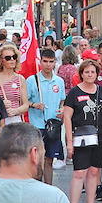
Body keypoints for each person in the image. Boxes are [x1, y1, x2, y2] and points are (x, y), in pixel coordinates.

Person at [63, 61, 102, 203]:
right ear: (81, 74)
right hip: (81, 137)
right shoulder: (74, 93)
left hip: (101, 137)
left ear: (97, 74)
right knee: (79, 172)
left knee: (94, 172)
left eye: (93, 72)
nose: (90, 75)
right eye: (87, 72)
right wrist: (69, 142)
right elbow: (67, 117)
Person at [26, 48, 69, 185]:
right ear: (40, 62)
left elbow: (62, 99)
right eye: (45, 61)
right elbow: (24, 102)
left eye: (51, 62)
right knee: (37, 159)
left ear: (55, 62)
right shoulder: (32, 80)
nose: (48, 65)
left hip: (54, 125)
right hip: (37, 125)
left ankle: (48, 187)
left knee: (50, 159)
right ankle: (36, 186)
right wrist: (34, 104)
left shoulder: (59, 81)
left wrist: (62, 108)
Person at [0, 44, 30, 125]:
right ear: (1, 60)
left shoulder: (20, 79)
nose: (12, 60)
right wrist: (0, 104)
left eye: (14, 57)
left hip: (15, 121)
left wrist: (15, 111)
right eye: (8, 58)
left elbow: (26, 105)